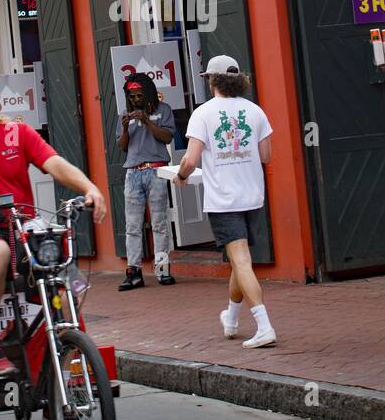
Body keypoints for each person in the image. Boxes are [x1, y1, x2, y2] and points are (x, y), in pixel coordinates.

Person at [0, 75, 107, 378]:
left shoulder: (18, 133)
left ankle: (67, 376)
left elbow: (54, 163)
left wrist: (89, 188)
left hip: (23, 227)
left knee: (66, 287)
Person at [175, 55, 276, 348]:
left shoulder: (203, 114)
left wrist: (180, 176)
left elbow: (190, 159)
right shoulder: (255, 111)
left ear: (212, 80)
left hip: (224, 199)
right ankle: (231, 319)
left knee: (241, 260)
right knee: (238, 261)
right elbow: (266, 156)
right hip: (252, 196)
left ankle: (265, 325)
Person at [116, 73, 176, 290]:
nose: (136, 99)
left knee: (159, 222)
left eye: (140, 95)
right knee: (132, 226)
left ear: (149, 93)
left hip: (156, 170)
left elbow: (167, 138)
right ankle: (134, 272)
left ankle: (162, 269)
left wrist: (147, 121)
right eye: (132, 96)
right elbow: (122, 147)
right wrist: (125, 128)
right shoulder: (125, 113)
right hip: (133, 173)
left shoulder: (163, 110)